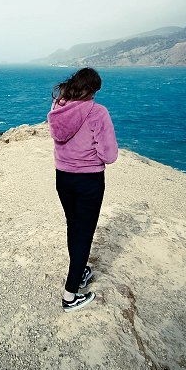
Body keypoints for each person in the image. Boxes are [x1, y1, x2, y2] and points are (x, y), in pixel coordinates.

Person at [47, 67, 118, 312]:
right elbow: (109, 155)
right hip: (88, 180)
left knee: (74, 226)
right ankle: (70, 295)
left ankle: (81, 271)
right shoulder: (98, 113)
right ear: (92, 89)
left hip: (63, 178)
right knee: (84, 232)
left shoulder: (58, 107)